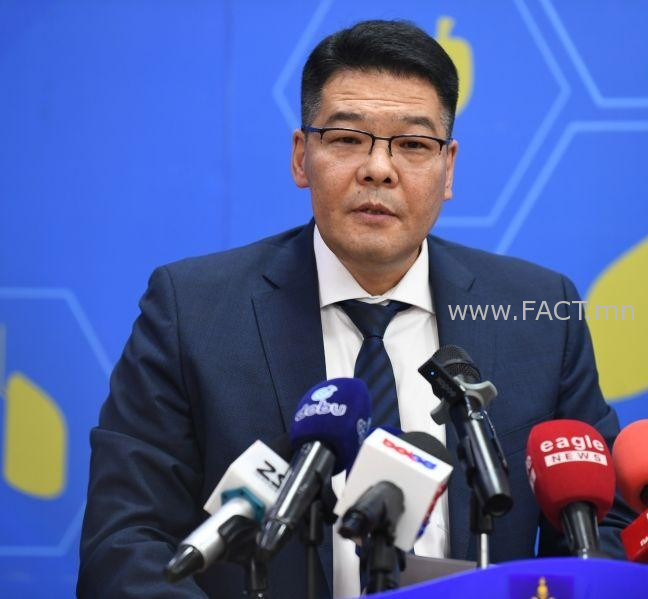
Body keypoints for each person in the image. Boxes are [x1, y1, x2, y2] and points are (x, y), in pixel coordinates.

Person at [78, 20, 634, 599]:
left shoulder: (539, 316)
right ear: (302, 157)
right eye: (347, 139)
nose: (379, 169)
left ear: (448, 169)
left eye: (413, 145)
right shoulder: (193, 312)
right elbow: (126, 543)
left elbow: (602, 529)